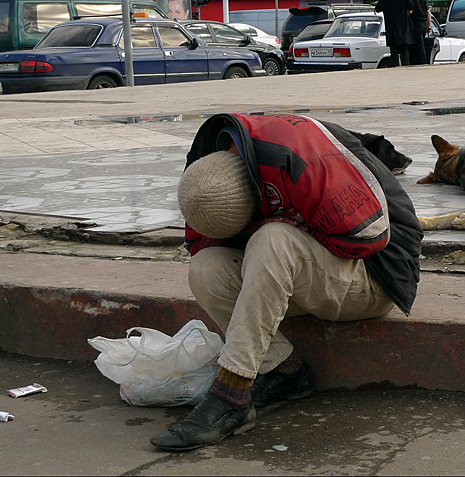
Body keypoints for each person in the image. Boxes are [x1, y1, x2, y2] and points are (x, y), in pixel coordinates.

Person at [149, 112, 423, 451]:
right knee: (206, 267)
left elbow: (373, 234)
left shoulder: (304, 163)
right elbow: (202, 243)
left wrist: (290, 222)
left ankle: (231, 395)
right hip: (312, 275)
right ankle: (284, 371)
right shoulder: (207, 177)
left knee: (274, 238)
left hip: (375, 273)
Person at [375, 0, 415, 67]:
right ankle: (406, 67)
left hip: (390, 28)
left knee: (393, 50)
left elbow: (377, 9)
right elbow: (411, 6)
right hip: (403, 27)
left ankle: (394, 67)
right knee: (404, 50)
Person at [405, 0, 432, 65]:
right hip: (423, 25)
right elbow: (428, 13)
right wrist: (429, 26)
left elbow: (410, 11)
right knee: (421, 44)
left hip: (415, 24)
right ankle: (423, 61)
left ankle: (420, 62)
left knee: (416, 46)